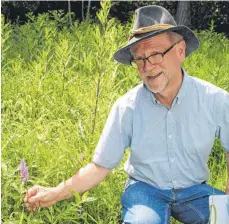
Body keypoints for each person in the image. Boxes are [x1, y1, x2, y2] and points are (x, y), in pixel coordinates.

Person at [24, 5, 229, 224]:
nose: (147, 66)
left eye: (155, 54)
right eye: (139, 59)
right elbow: (99, 167)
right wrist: (54, 193)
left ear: (180, 51)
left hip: (195, 190)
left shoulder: (215, 100)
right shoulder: (126, 107)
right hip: (145, 191)